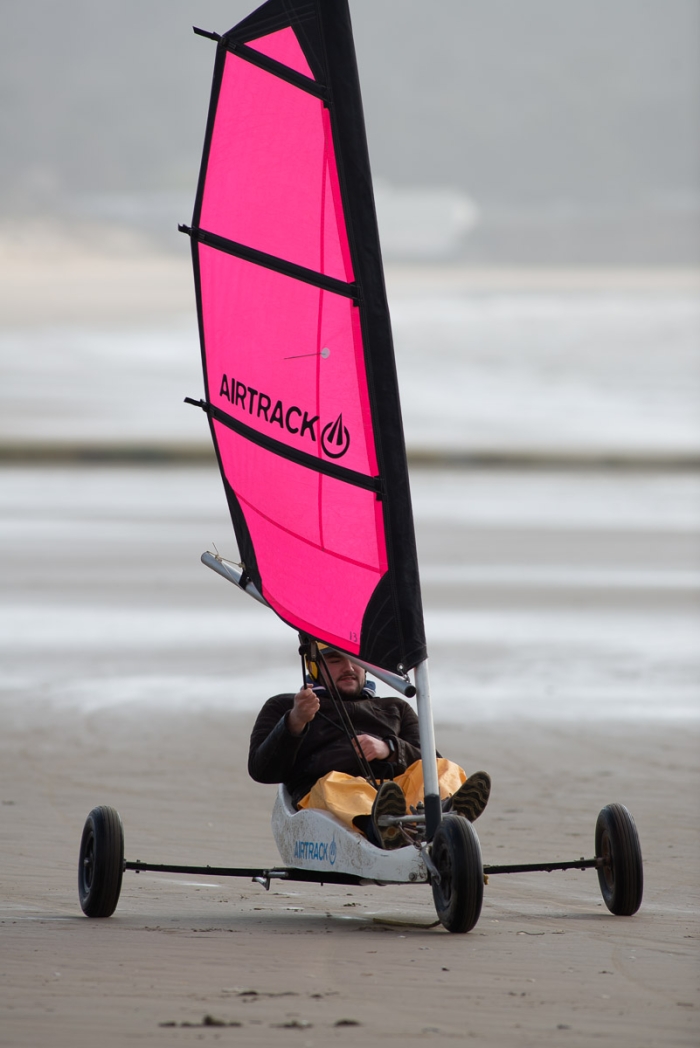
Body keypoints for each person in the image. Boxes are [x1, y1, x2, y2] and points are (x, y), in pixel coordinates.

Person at [248, 646, 491, 849]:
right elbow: (262, 770)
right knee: (334, 784)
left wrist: (390, 748)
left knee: (442, 767)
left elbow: (429, 761)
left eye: (355, 660)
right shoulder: (284, 706)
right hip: (328, 797)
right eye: (335, 660)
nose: (349, 668)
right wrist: (295, 721)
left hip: (398, 797)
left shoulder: (395, 708)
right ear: (314, 667)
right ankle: (382, 827)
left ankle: (441, 815)